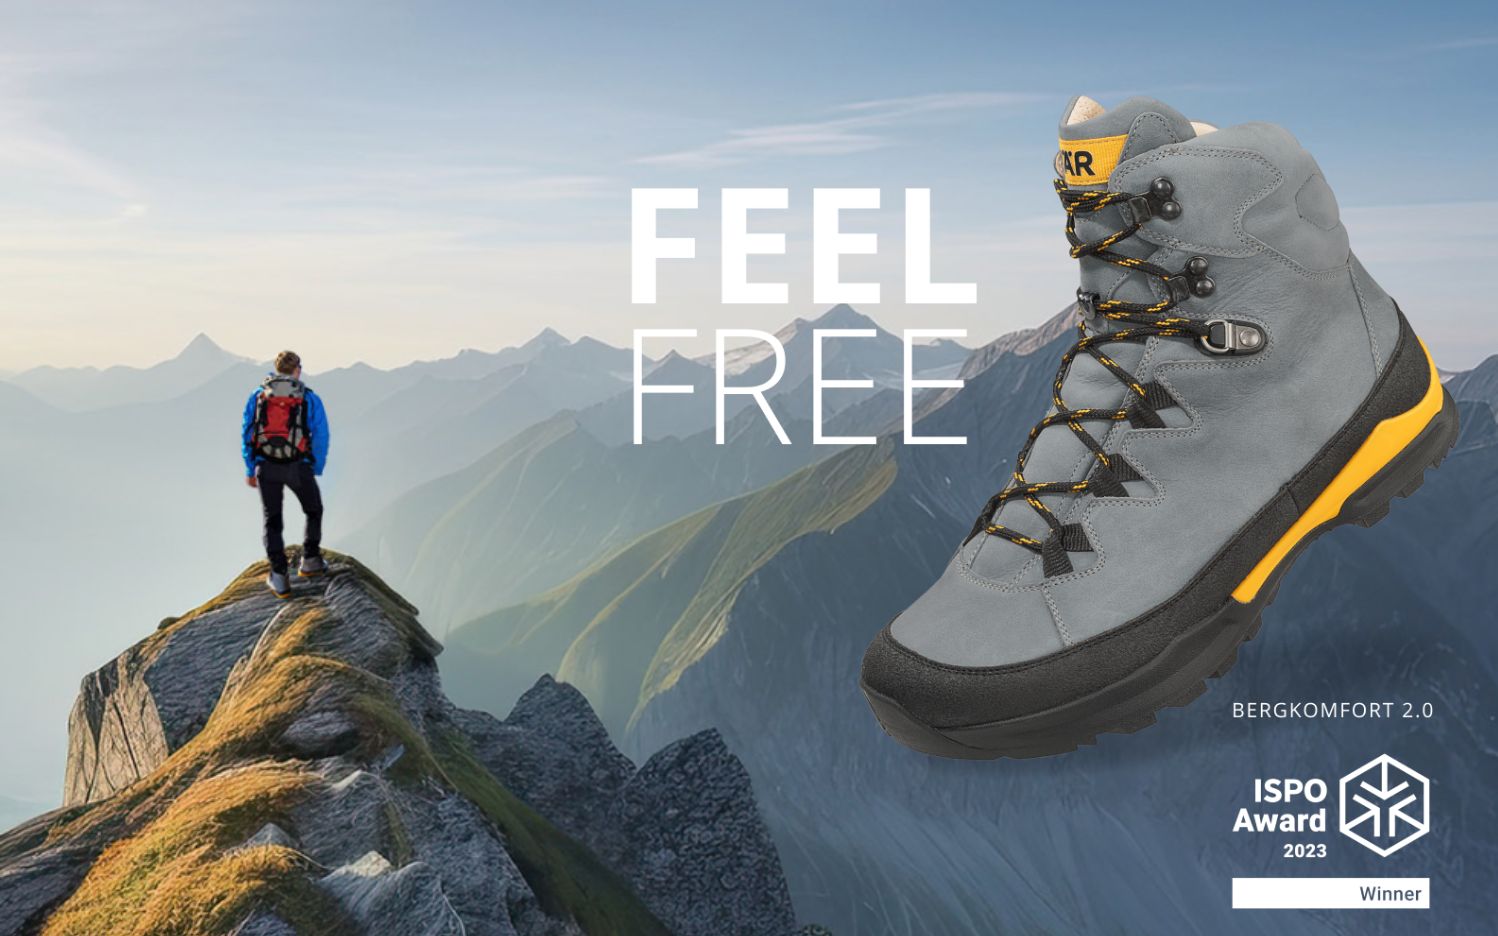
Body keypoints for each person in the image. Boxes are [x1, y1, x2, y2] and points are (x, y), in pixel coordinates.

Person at [242, 350, 330, 597]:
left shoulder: (258, 396)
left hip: (265, 466)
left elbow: (247, 431)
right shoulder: (308, 398)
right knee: (313, 510)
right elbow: (321, 435)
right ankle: (310, 560)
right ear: (297, 370)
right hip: (297, 465)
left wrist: (250, 468)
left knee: (273, 520)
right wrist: (316, 466)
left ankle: (279, 577)